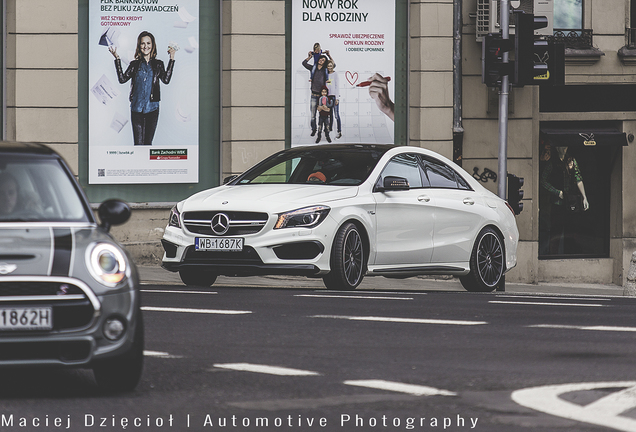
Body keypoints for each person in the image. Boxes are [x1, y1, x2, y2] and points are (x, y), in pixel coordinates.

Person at [109, 31, 176, 145]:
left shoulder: (158, 64)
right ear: (139, 46)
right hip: (136, 109)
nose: (146, 46)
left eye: (148, 43)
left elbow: (166, 80)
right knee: (138, 144)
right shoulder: (134, 64)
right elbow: (122, 79)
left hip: (153, 109)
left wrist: (172, 58)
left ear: (152, 45)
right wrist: (117, 58)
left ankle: (147, 163)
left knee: (148, 144)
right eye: (142, 43)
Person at [540, 146, 589, 254]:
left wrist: (584, 197)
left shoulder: (571, 160)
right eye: (562, 146)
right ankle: (553, 255)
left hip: (570, 202)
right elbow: (543, 181)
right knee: (555, 232)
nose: (565, 148)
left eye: (566, 146)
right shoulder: (552, 162)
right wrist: (557, 192)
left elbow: (578, 178)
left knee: (570, 231)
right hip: (557, 203)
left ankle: (569, 255)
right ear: (557, 148)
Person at [302, 51, 333, 136]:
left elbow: (334, 65)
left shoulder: (325, 70)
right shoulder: (313, 68)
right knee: (313, 115)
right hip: (313, 95)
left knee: (323, 115)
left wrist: (329, 55)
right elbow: (304, 63)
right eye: (320, 59)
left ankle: (324, 130)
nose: (321, 61)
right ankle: (314, 129)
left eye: (323, 60)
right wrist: (310, 57)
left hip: (321, 96)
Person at [325, 60, 342, 139]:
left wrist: (337, 98)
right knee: (330, 114)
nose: (329, 67)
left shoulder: (335, 74)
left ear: (333, 66)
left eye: (331, 66)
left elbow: (337, 86)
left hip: (334, 96)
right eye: (328, 66)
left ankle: (339, 131)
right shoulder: (325, 74)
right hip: (328, 97)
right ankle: (330, 129)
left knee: (336, 115)